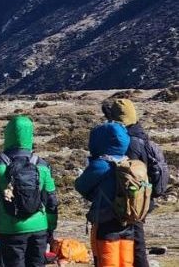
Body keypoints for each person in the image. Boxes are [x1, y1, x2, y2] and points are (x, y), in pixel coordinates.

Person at [101, 99, 170, 267]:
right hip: (144, 197)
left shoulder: (128, 141)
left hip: (130, 199)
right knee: (136, 239)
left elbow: (127, 174)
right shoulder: (142, 136)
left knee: (133, 242)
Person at [0, 115, 59, 267]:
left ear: (8, 134)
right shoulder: (41, 165)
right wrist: (50, 228)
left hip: (10, 229)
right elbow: (51, 200)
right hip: (39, 228)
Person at [74, 122, 135, 267]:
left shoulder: (100, 165)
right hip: (129, 220)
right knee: (126, 262)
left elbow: (81, 186)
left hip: (106, 221)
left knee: (107, 261)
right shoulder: (131, 164)